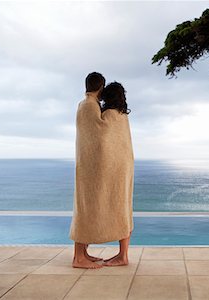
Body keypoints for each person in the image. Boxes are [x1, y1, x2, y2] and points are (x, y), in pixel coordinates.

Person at [69, 74, 134, 269]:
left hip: (107, 170)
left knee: (89, 208)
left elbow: (99, 137)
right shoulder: (116, 114)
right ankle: (83, 257)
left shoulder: (97, 109)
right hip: (121, 169)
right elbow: (100, 138)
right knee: (119, 208)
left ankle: (82, 256)